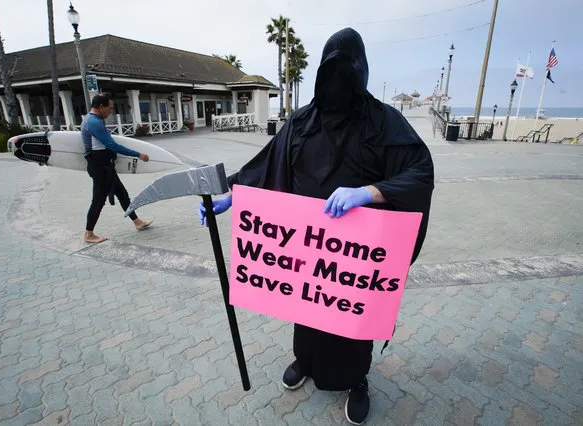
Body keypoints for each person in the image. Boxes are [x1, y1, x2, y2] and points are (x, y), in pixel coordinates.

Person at [198, 28, 434, 425]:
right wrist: (233, 195)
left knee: (352, 322)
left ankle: (357, 380)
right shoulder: (303, 121)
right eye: (332, 68)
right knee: (307, 312)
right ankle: (305, 360)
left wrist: (370, 192)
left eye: (348, 69)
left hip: (356, 256)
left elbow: (420, 172)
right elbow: (269, 166)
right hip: (308, 250)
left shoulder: (383, 123)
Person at [81, 93, 153, 244]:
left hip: (105, 166)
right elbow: (112, 145)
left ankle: (137, 222)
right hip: (100, 168)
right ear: (101, 107)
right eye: (110, 108)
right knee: (98, 201)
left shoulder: (92, 120)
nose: (111, 111)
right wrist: (138, 154)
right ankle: (88, 234)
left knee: (122, 193)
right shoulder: (93, 122)